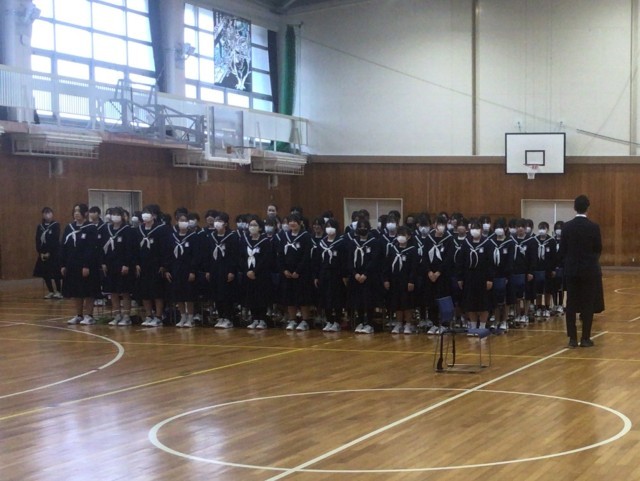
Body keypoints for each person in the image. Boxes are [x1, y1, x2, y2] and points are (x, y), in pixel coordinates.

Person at [558, 195, 604, 348]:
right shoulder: (593, 227)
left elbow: (562, 250)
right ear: (588, 208)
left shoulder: (566, 227)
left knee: (571, 304)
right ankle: (585, 338)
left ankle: (572, 339)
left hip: (571, 270)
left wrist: (569, 262)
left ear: (574, 208)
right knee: (588, 304)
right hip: (589, 271)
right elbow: (598, 248)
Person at [61, 203, 101, 325]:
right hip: (72, 264)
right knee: (76, 291)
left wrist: (86, 265)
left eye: (79, 211)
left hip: (87, 265)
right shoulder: (69, 228)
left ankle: (89, 315)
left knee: (88, 290)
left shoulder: (91, 228)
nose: (76, 213)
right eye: (75, 211)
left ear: (85, 213)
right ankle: (79, 315)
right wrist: (63, 264)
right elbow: (63, 247)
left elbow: (91, 248)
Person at [34, 207, 63, 299]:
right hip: (43, 253)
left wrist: (49, 252)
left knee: (56, 273)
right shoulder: (40, 227)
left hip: (54, 253)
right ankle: (51, 291)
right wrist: (40, 252)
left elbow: (55, 239)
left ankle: (58, 291)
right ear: (43, 215)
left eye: (49, 212)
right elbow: (37, 240)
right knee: (45, 273)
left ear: (52, 214)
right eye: (45, 213)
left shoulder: (55, 225)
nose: (47, 215)